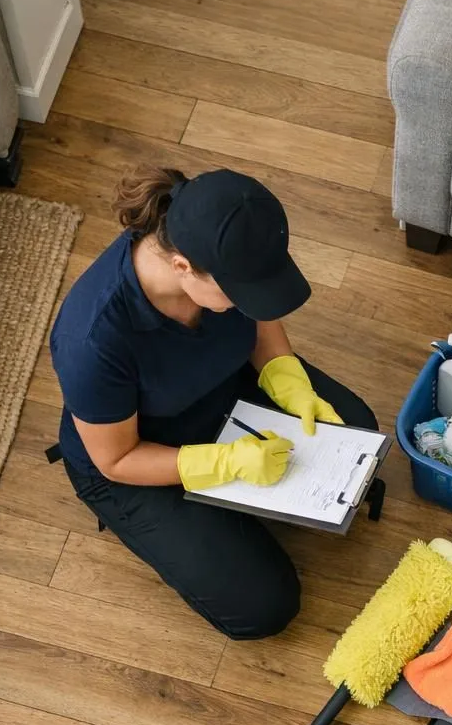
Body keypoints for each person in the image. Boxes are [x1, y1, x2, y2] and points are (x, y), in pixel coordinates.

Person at [50, 166, 377, 639]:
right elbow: (115, 459)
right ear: (183, 267)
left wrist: (290, 383)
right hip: (139, 452)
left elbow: (261, 324)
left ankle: (240, 506)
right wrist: (227, 463)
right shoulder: (93, 339)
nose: (251, 301)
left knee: (357, 432)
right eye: (240, 293)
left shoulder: (219, 250)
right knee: (264, 605)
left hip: (221, 388)